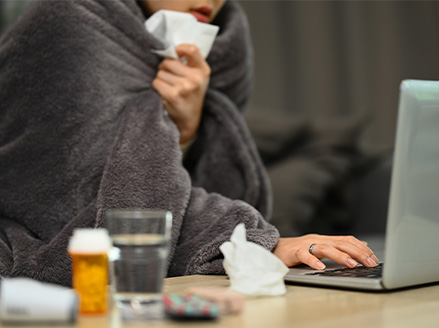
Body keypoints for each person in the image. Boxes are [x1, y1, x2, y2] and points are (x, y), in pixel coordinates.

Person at [0, 0, 377, 286]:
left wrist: (187, 129)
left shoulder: (223, 53)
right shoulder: (65, 25)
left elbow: (205, 185)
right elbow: (61, 201)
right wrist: (251, 243)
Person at [139, 0, 379, 271]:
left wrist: (186, 132)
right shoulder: (87, 50)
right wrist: (262, 243)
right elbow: (119, 205)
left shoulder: (220, 63)